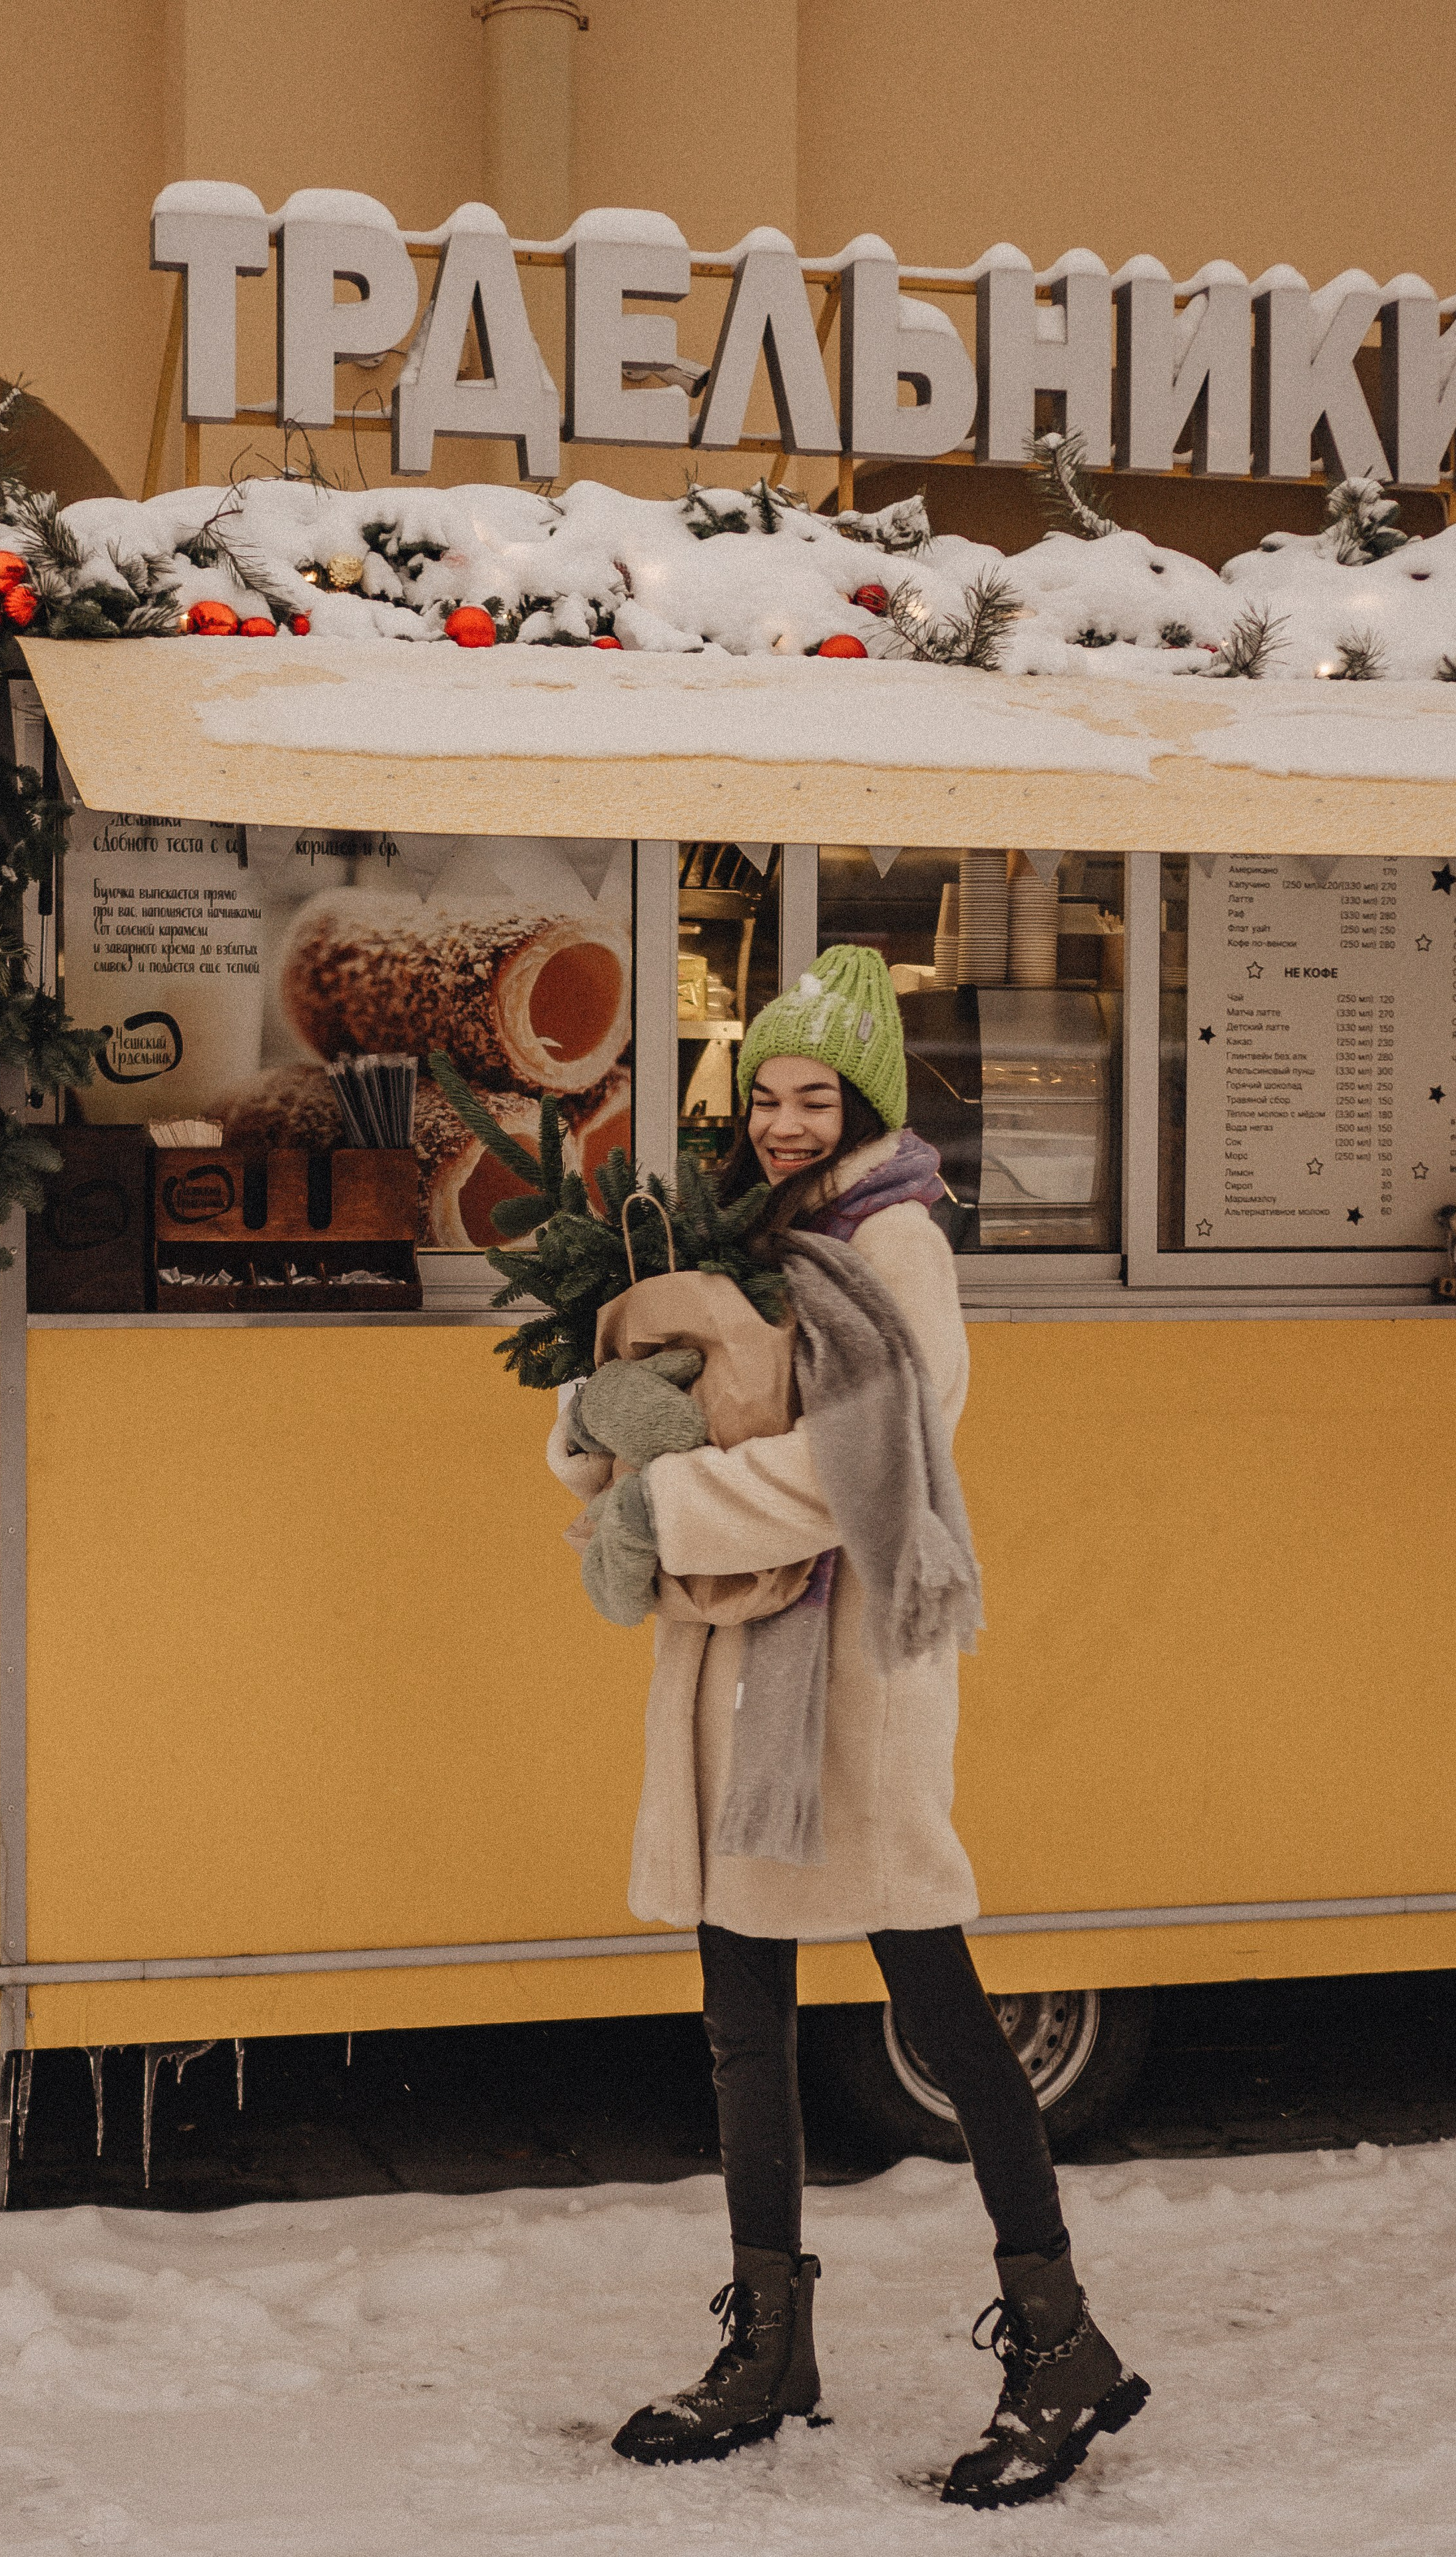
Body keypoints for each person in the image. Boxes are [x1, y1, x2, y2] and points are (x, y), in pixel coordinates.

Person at [547, 944, 1147, 2509]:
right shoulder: (754, 1236)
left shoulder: (892, 1247)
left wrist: (668, 1500)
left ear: (865, 1105)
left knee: (938, 2005)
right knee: (740, 2015)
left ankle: (1059, 2342)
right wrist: (601, 1422)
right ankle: (767, 2346)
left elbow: (857, 1463)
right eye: (765, 1093)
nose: (783, 1120)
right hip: (737, 1662)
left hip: (848, 1677)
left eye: (815, 1096)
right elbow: (711, 1393)